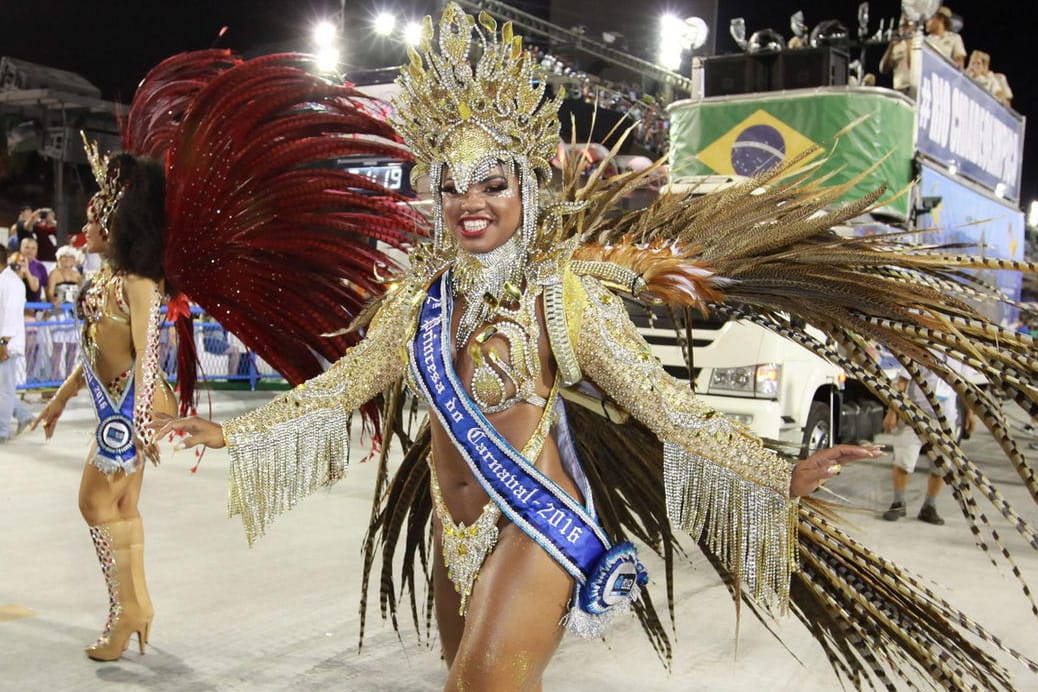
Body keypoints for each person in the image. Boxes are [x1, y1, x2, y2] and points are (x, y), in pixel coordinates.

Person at [155, 7, 889, 689]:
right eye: (451, 186)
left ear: (527, 194)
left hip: (536, 523)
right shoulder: (417, 301)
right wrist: (234, 432)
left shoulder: (561, 299)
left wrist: (771, 473)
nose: (470, 201)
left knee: (479, 680)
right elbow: (343, 386)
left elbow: (664, 406)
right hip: (454, 527)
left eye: (493, 184)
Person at [29, 150, 179, 661]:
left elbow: (149, 351)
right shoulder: (104, 281)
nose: (85, 226)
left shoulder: (139, 283)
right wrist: (58, 400)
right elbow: (92, 353)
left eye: (94, 218)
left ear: (117, 224)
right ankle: (138, 607)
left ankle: (124, 613)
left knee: (93, 503)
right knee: (122, 506)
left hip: (133, 407)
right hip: (115, 405)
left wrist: (139, 421)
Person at [880, 366, 958, 525]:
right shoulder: (923, 349)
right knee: (903, 460)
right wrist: (892, 411)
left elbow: (964, 389)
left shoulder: (958, 359)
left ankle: (929, 506)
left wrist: (969, 413)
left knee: (941, 466)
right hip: (914, 414)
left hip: (945, 420)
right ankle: (898, 503)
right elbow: (901, 382)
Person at [0, 245, 34, 441]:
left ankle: (2, 432)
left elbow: (12, 316)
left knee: (5, 389)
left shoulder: (13, 283)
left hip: (6, 343)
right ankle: (23, 415)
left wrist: (3, 342)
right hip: (2, 340)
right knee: (3, 388)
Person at [46, 245, 84, 381]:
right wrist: (54, 300)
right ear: (59, 259)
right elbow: (50, 292)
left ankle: (69, 380)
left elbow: (81, 293)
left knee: (73, 347)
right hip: (59, 313)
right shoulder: (55, 273)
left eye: (71, 257)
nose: (68, 260)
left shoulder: (77, 275)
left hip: (72, 314)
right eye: (65, 257)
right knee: (58, 346)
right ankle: (54, 378)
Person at [879, 15, 915, 94]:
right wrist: (891, 46)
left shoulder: (918, 44)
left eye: (906, 26)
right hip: (899, 89)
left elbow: (913, 68)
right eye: (901, 26)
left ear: (913, 26)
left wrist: (908, 43)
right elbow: (883, 69)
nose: (903, 29)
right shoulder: (897, 46)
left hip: (914, 88)